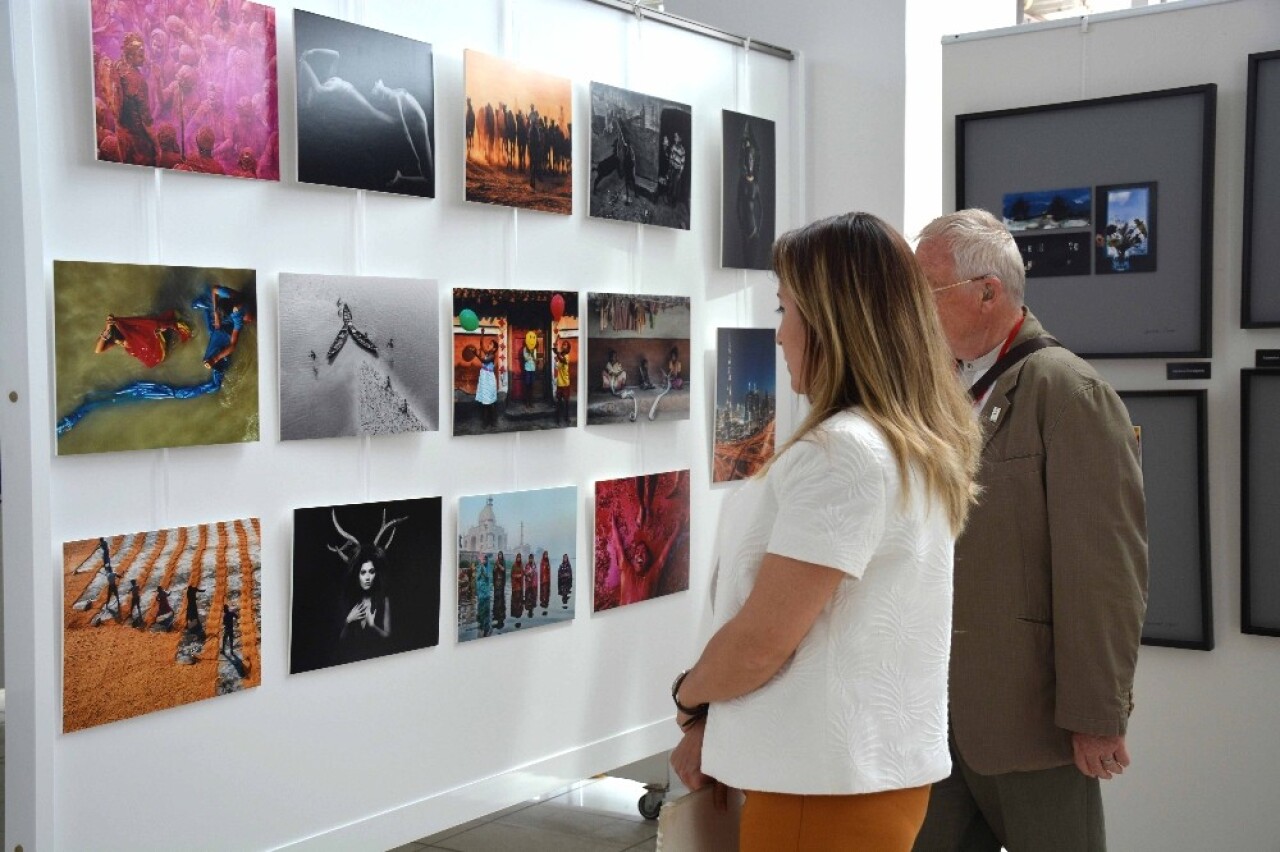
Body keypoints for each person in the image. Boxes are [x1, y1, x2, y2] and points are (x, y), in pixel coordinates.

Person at [669, 212, 982, 851]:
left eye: (786, 310)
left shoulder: (844, 452)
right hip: (857, 777)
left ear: (835, 322)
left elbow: (764, 641)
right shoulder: (903, 441)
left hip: (823, 789)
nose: (780, 334)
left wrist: (691, 695)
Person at [912, 209, 1148, 852]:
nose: (909, 309)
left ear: (988, 292)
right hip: (939, 720)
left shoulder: (1068, 392)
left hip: (1033, 724)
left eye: (923, 291)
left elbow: (1104, 574)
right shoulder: (944, 391)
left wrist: (1099, 717)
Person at [94, 311, 192, 368]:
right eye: (120, 344)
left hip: (152, 336)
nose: (123, 345)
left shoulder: (135, 334)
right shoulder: (118, 337)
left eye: (123, 342)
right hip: (145, 346)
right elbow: (98, 350)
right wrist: (107, 330)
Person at [475, 336, 499, 428]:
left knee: (490, 402)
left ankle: (493, 421)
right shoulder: (487, 353)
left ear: (494, 348)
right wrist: (482, 334)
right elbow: (481, 345)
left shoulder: (492, 356)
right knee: (485, 402)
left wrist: (476, 355)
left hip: (489, 380)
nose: (488, 345)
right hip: (484, 379)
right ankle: (486, 422)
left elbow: (484, 361)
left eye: (491, 344)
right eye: (489, 344)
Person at [553, 338, 573, 425]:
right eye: (563, 345)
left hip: (565, 383)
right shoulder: (560, 356)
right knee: (558, 402)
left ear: (568, 348)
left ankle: (566, 418)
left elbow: (562, 360)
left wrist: (556, 352)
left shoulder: (567, 357)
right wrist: (556, 348)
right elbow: (557, 366)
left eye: (565, 345)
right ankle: (557, 419)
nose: (563, 346)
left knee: (566, 402)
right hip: (559, 383)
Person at [475, 553, 494, 638]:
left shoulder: (488, 568)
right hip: (480, 591)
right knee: (480, 608)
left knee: (486, 609)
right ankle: (481, 624)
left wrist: (483, 568)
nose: (484, 561)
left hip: (486, 592)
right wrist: (481, 568)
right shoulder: (480, 567)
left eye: (485, 559)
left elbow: (487, 576)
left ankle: (486, 625)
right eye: (483, 559)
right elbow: (477, 577)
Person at [493, 551, 507, 630]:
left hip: (501, 582)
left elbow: (503, 569)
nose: (500, 556)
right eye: (499, 555)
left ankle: (500, 609)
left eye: (501, 554)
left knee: (501, 598)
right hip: (496, 582)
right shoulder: (496, 562)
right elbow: (494, 571)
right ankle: (496, 610)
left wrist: (498, 565)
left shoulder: (503, 562)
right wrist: (496, 566)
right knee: (496, 598)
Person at [510, 552, 525, 623]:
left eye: (520, 557)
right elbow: (512, 575)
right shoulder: (514, 565)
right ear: (516, 558)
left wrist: (527, 574)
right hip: (515, 585)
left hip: (520, 585)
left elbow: (523, 572)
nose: (519, 559)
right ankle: (514, 611)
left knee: (520, 599)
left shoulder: (521, 565)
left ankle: (519, 609)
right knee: (515, 599)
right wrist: (517, 576)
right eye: (518, 557)